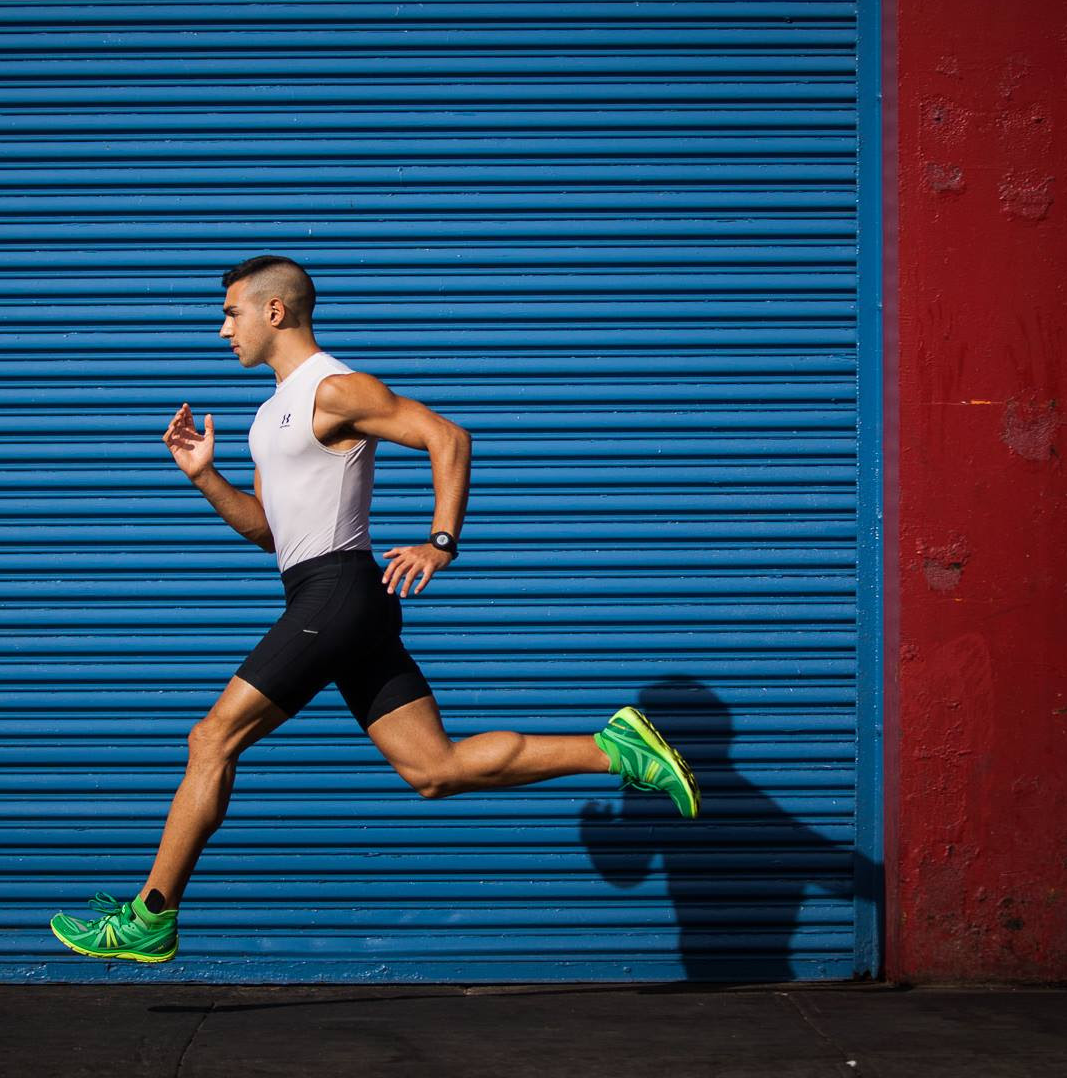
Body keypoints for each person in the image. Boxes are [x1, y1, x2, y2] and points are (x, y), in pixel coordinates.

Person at [48, 255, 699, 964]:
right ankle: (616, 749)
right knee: (434, 770)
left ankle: (152, 914)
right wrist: (206, 477)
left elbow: (448, 437)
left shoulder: (336, 388)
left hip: (339, 592)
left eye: (231, 312)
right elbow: (267, 528)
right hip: (325, 598)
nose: (221, 330)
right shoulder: (270, 416)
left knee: (211, 739)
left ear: (274, 312)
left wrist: (442, 541)